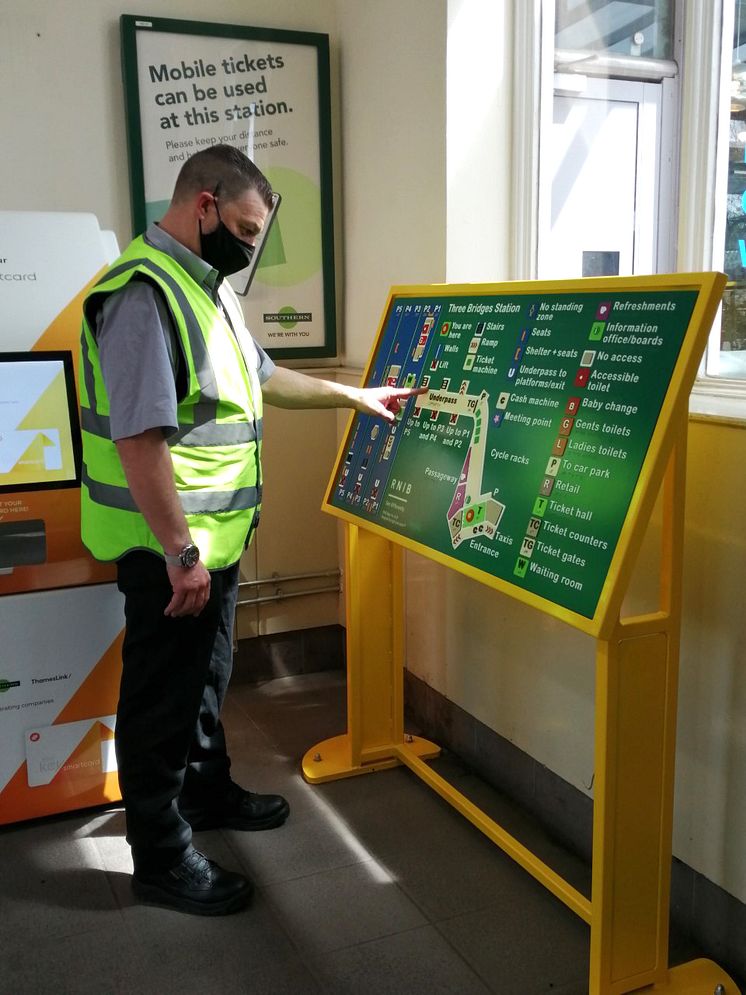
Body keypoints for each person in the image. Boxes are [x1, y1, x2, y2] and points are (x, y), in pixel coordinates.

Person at [79, 144, 422, 916]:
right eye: (240, 226)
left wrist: (351, 396)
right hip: (171, 550)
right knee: (161, 698)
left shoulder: (208, 287)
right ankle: (161, 856)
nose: (246, 245)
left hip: (214, 544)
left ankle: (206, 791)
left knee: (206, 678)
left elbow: (262, 375)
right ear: (203, 203)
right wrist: (181, 555)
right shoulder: (143, 295)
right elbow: (140, 444)